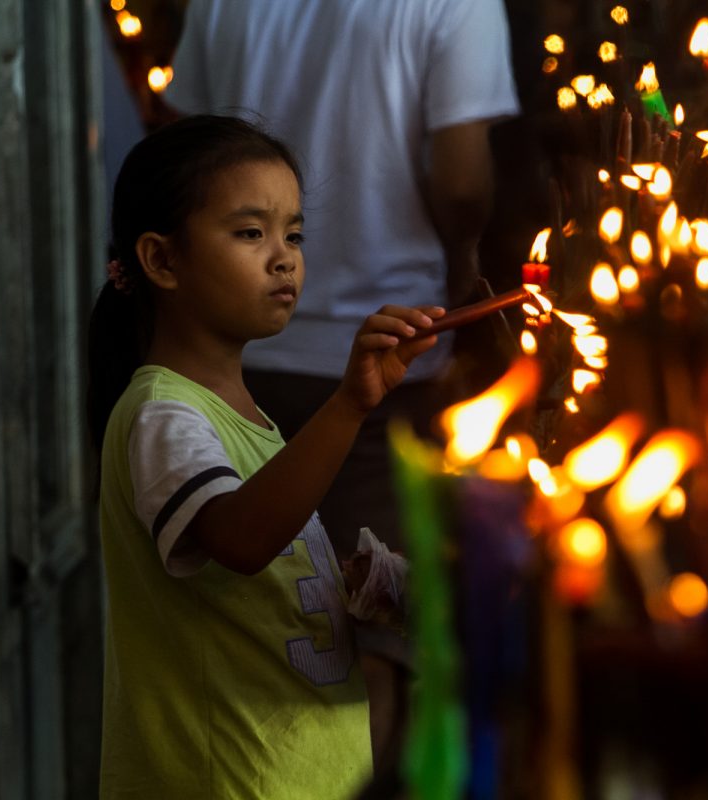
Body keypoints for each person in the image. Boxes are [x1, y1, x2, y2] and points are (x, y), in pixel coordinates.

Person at [88, 114, 442, 799]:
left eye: (294, 234)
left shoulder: (247, 421)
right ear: (161, 260)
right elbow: (241, 539)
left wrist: (368, 584)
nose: (284, 257)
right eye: (251, 233)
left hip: (298, 776)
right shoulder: (162, 414)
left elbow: (255, 588)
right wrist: (349, 404)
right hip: (229, 780)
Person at [163, 0, 520, 558]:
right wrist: (463, 258)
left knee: (254, 603)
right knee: (377, 598)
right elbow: (462, 183)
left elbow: (180, 153)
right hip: (387, 348)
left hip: (233, 353)